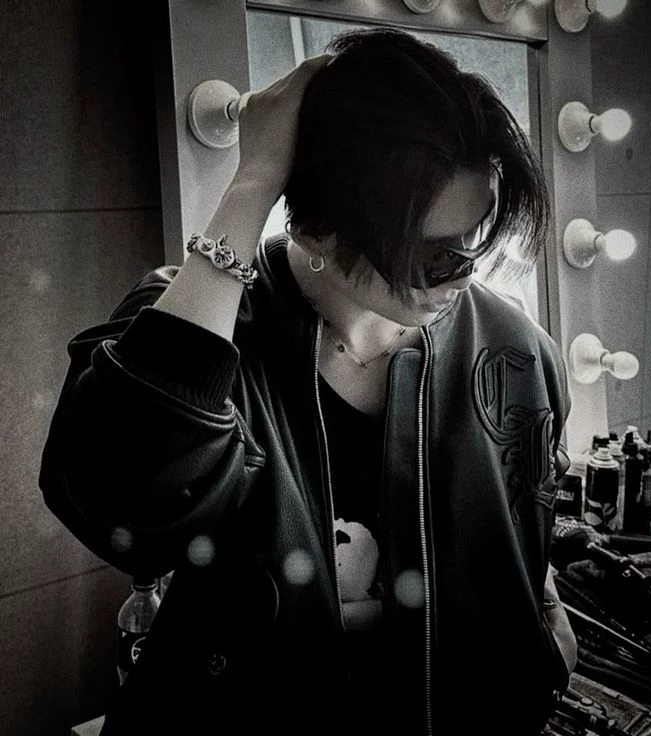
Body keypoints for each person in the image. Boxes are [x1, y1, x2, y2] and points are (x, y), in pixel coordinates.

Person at [40, 28, 577, 736]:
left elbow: (525, 523)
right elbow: (122, 498)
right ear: (320, 231)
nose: (465, 273)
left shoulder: (513, 351)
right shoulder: (198, 324)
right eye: (433, 255)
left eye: (478, 239)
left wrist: (545, 623)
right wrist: (253, 182)